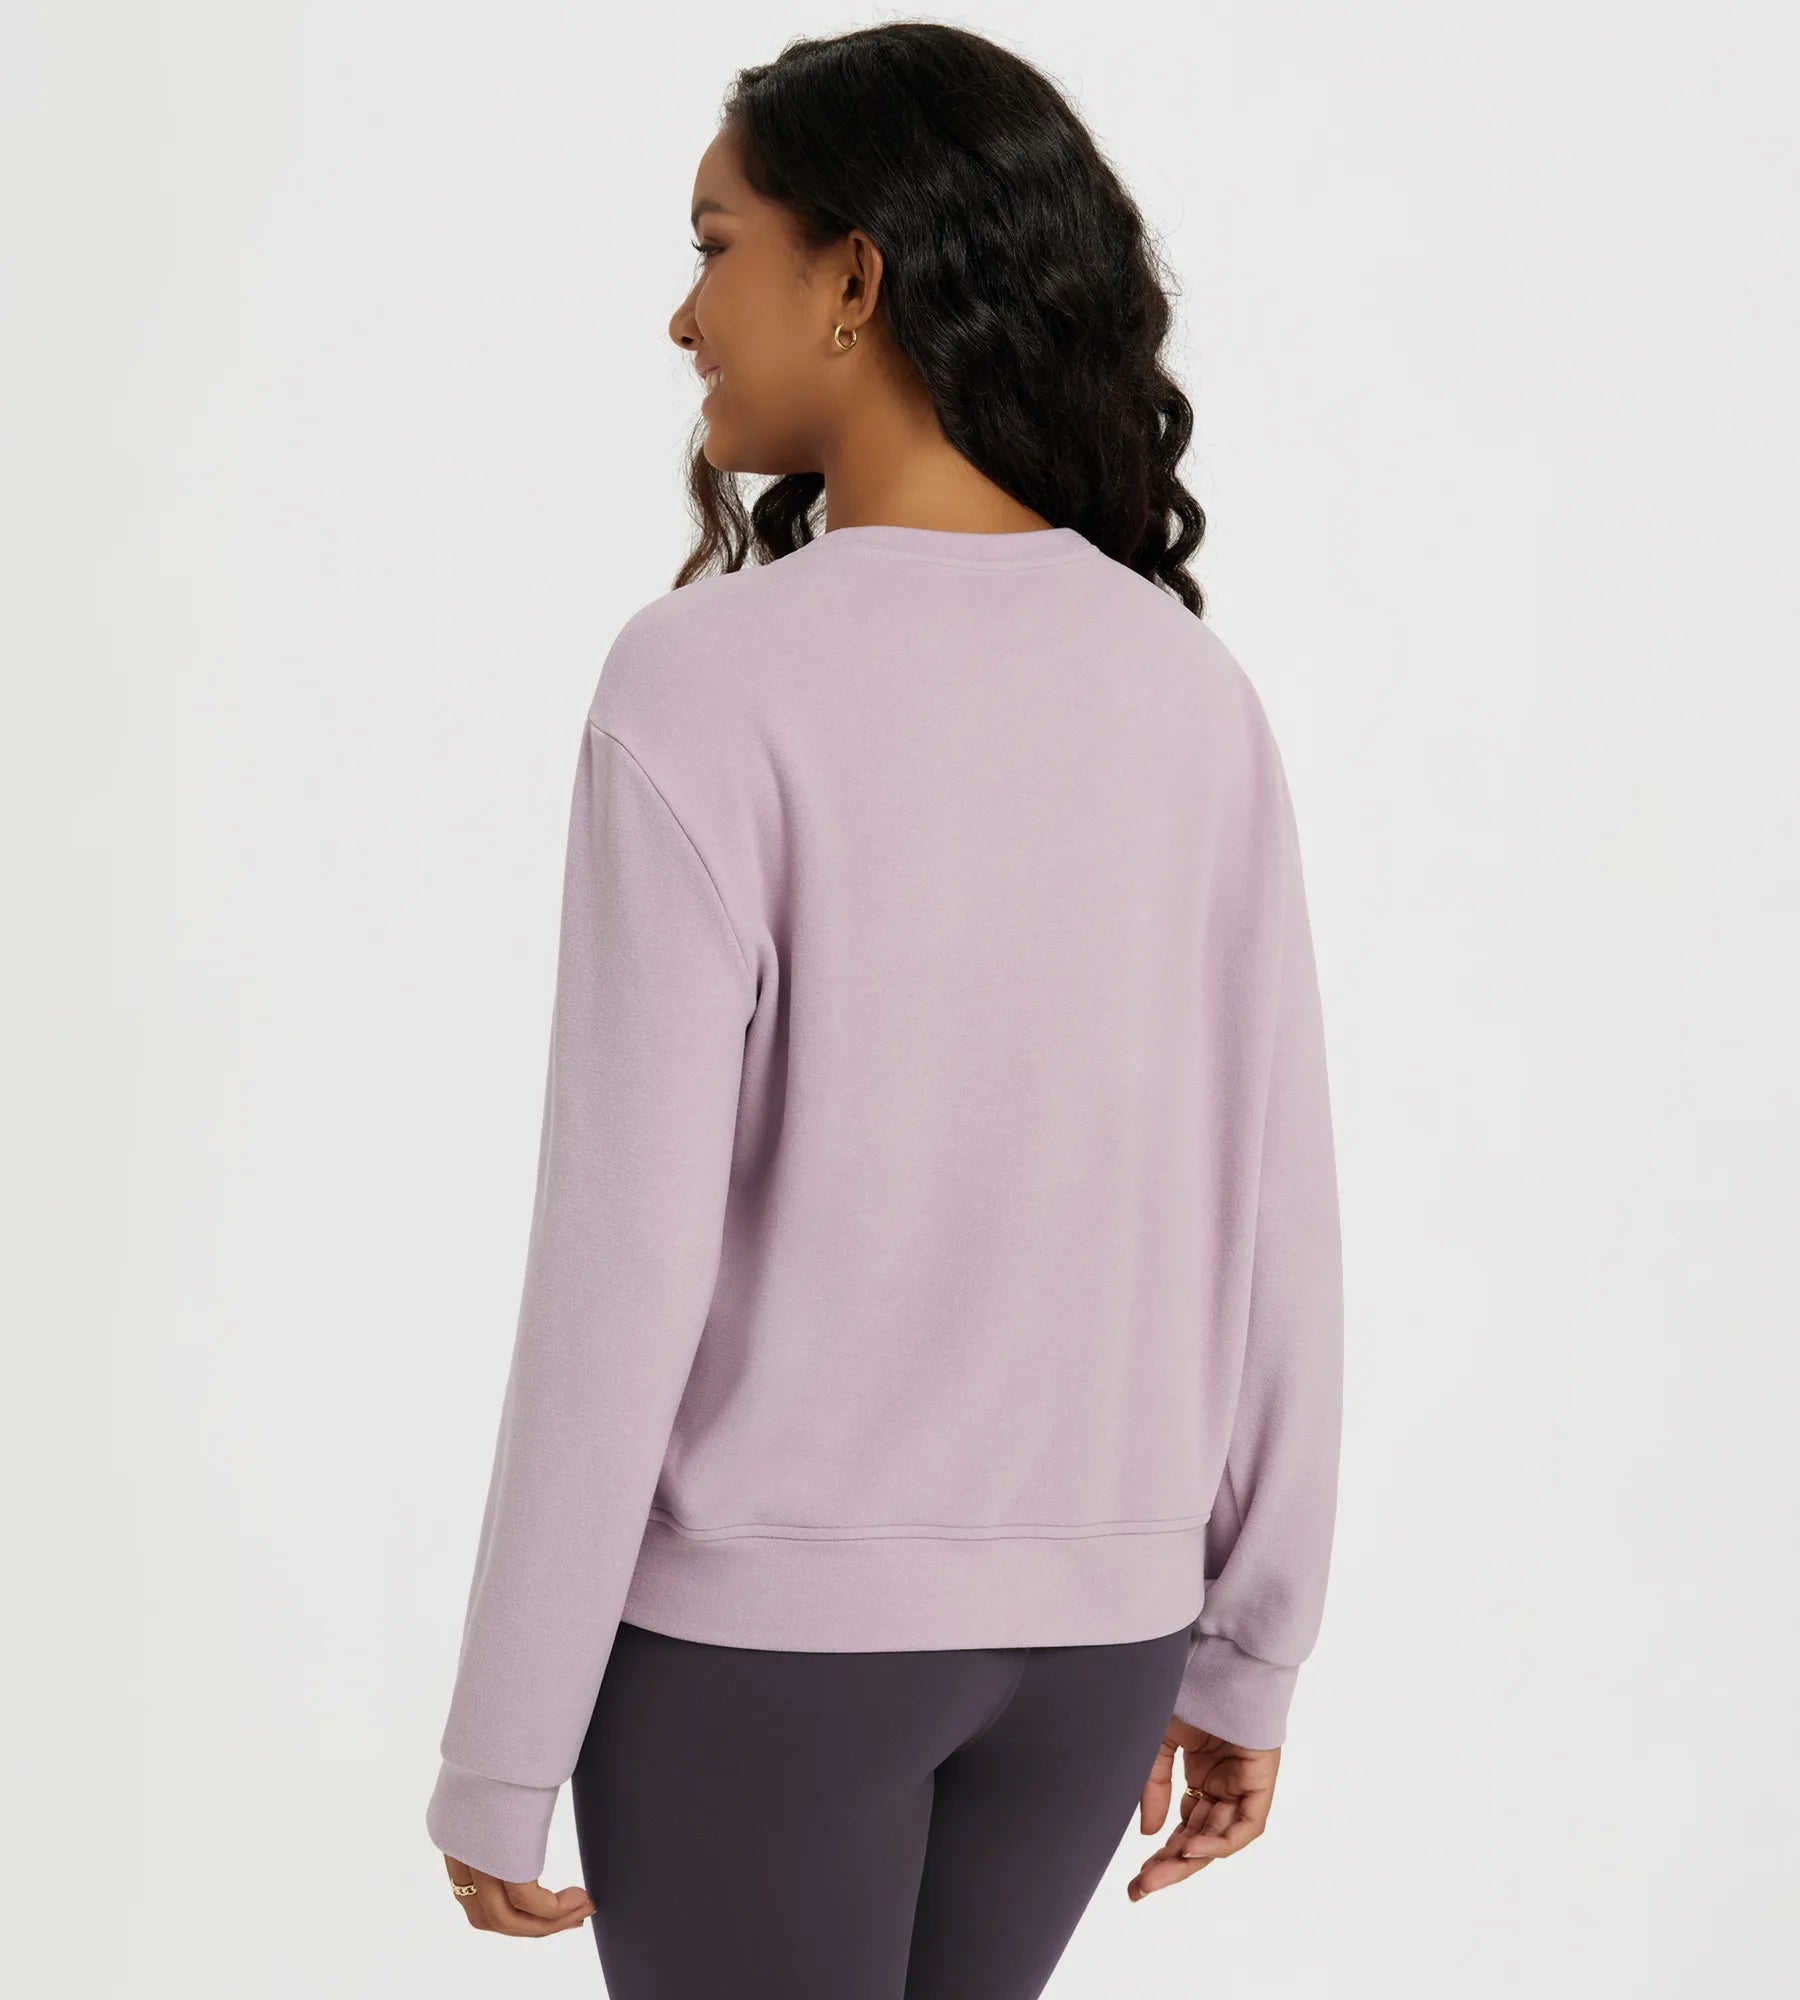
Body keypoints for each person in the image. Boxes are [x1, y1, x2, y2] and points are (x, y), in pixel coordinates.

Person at [425, 21, 1344, 1996]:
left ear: (854, 277)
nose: (684, 317)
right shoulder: (1190, 691)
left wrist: (505, 1740)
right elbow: (1278, 1209)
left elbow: (624, 1253)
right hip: (1098, 1643)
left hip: (770, 1648)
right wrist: (1249, 1646)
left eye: (715, 247)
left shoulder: (704, 679)